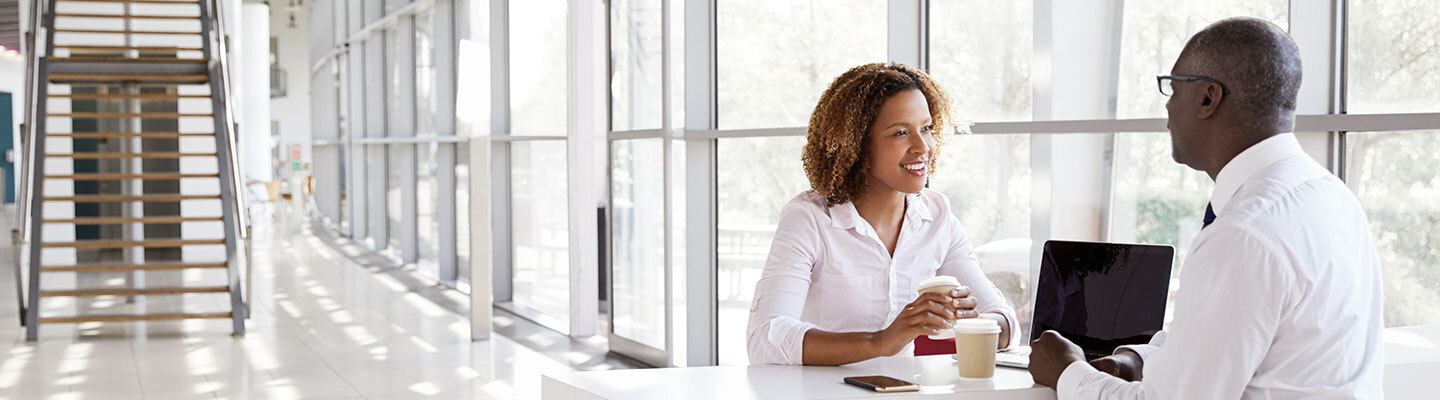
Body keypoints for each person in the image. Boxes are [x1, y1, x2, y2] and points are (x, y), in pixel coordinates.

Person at [1028, 17, 1385, 398]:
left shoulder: (1243, 233)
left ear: (1207, 98)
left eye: (1173, 87)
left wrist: (1066, 371)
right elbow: (1242, 340)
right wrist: (1140, 359)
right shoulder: (1330, 195)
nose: (1167, 106)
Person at [746, 62, 1020, 366]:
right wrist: (881, 342)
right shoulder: (810, 219)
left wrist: (974, 320)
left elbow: (1007, 323)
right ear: (856, 145)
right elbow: (764, 338)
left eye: (926, 128)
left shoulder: (937, 217)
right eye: (901, 132)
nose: (922, 147)